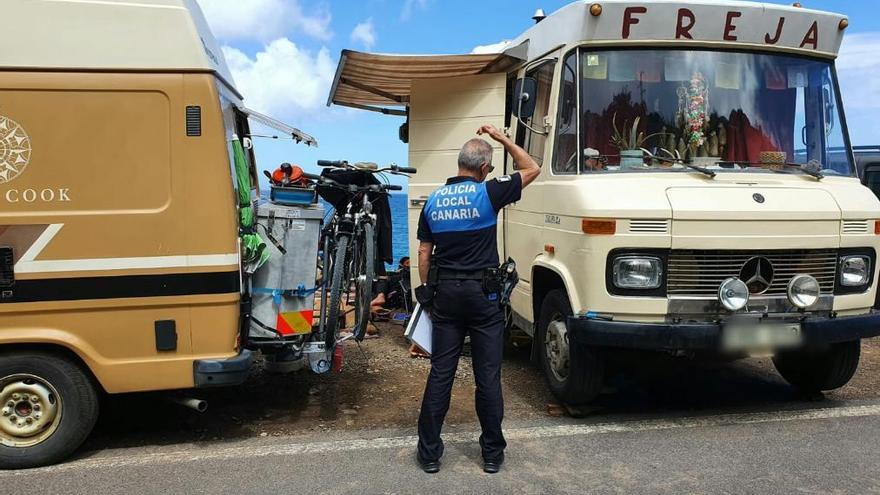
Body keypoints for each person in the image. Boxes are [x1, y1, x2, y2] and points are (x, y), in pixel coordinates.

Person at [414, 124, 541, 474]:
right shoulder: (489, 193)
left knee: (441, 373)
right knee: (487, 376)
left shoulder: (434, 201)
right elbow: (532, 168)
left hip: (445, 297)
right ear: (484, 168)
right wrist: (502, 139)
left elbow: (424, 252)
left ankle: (429, 454)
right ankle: (491, 454)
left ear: (458, 164)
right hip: (483, 296)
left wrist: (426, 290)